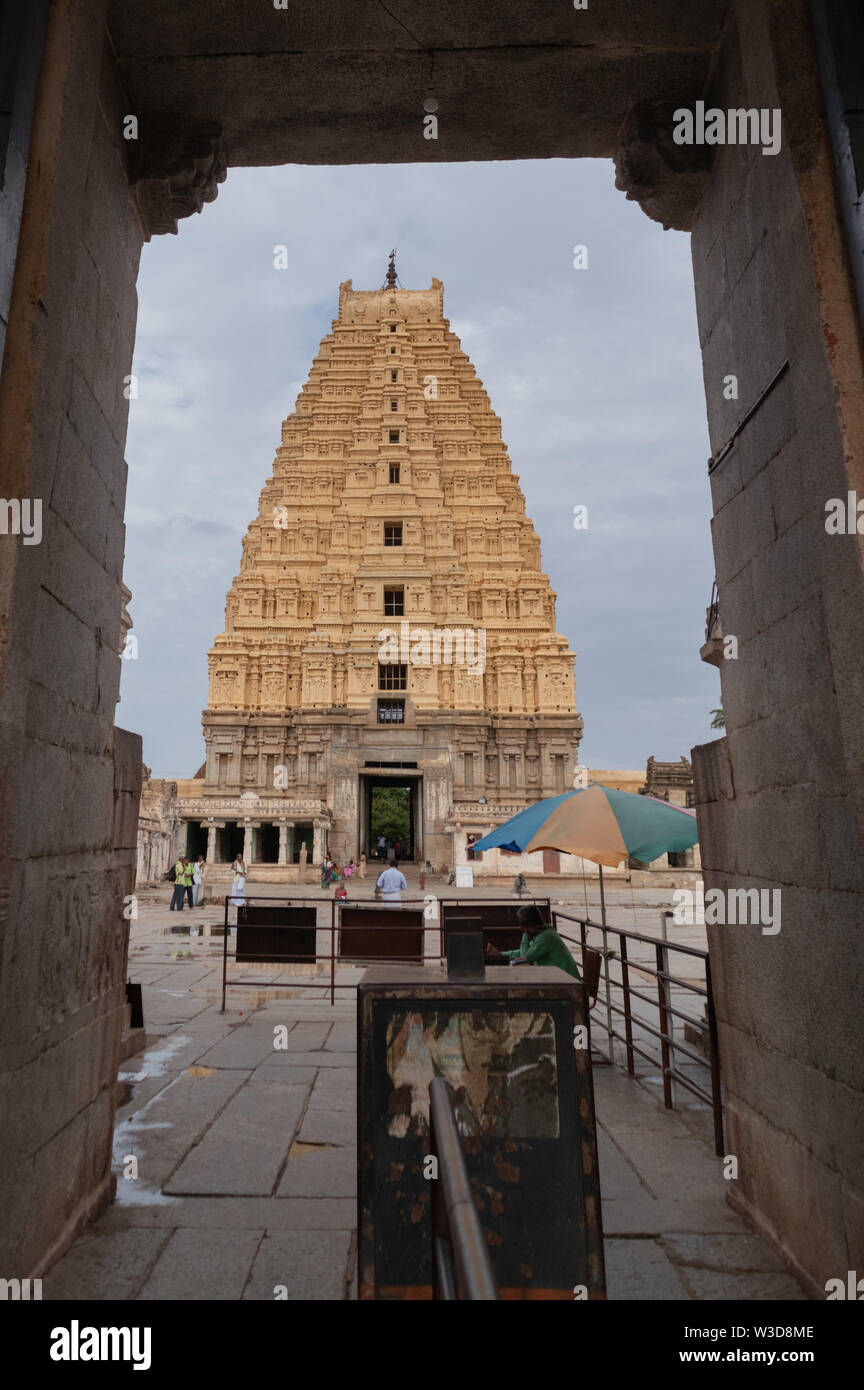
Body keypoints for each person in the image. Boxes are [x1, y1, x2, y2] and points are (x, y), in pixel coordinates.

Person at [486, 903, 580, 980]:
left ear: (531, 926)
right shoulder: (543, 932)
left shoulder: (546, 937)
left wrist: (525, 934)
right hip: (560, 979)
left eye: (524, 928)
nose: (522, 929)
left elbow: (525, 957)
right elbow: (526, 953)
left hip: (568, 982)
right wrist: (501, 954)